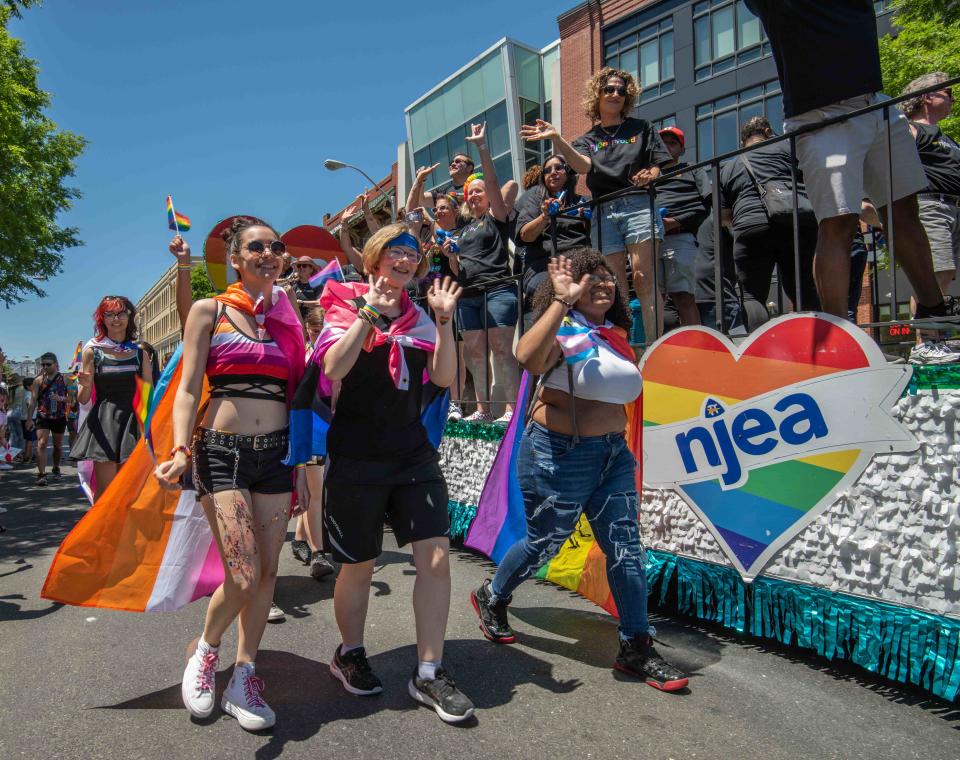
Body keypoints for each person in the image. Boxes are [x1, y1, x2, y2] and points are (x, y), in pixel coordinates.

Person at [470, 249, 689, 691]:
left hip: (612, 456)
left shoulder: (614, 335)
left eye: (609, 278)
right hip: (559, 454)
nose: (605, 284)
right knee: (542, 545)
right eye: (594, 279)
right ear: (570, 288)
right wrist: (562, 302)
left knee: (626, 548)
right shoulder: (562, 327)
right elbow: (528, 358)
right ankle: (491, 596)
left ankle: (635, 646)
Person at [315, 222, 474, 723]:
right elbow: (334, 369)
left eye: (413, 254)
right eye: (396, 253)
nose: (405, 261)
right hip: (356, 456)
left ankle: (429, 672)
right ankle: (350, 652)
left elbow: (445, 378)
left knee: (434, 560)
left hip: (413, 456)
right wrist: (368, 313)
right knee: (358, 565)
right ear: (374, 260)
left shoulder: (420, 318)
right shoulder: (342, 304)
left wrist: (445, 323)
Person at [154, 217, 307, 732]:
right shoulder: (210, 310)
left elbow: (301, 397)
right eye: (257, 247)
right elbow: (189, 386)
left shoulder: (288, 316)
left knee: (266, 574)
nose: (270, 253)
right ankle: (206, 649)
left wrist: (305, 464)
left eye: (276, 246)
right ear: (235, 260)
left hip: (278, 455)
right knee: (241, 574)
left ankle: (245, 673)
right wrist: (179, 448)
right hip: (223, 452)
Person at [744, 0, 959, 331]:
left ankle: (935, 319)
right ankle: (837, 335)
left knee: (903, 213)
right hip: (821, 116)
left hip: (875, 104)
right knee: (838, 223)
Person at [521, 66, 673, 343]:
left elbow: (658, 166)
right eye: (609, 89)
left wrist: (650, 174)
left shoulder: (641, 128)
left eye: (621, 90)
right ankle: (624, 345)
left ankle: (654, 344)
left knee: (643, 276)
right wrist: (557, 139)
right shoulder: (586, 140)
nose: (616, 94)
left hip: (637, 203)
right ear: (597, 95)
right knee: (615, 284)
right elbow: (581, 166)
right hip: (603, 209)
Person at [448, 122, 519, 424]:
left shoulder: (496, 217)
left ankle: (512, 410)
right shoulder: (462, 230)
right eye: (470, 193)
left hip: (498, 288)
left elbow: (494, 181)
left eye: (479, 191)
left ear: (489, 196)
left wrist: (481, 147)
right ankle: (482, 409)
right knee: (475, 355)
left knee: (502, 349)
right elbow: (457, 269)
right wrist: (450, 255)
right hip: (469, 295)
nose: (475, 195)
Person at [719, 117, 820, 330]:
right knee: (803, 287)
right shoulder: (787, 148)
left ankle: (761, 354)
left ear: (742, 142)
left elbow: (724, 215)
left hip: (749, 225)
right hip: (794, 222)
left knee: (752, 295)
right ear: (767, 131)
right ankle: (817, 347)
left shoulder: (729, 166)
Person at [900, 72, 960, 365]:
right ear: (927, 96)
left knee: (945, 274)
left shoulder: (946, 137)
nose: (952, 98)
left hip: (953, 209)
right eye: (947, 92)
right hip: (930, 205)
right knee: (935, 272)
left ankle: (934, 339)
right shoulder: (910, 130)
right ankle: (926, 343)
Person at [70, 296, 153, 501]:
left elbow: (147, 395)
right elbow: (83, 399)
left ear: (129, 316)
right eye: (110, 314)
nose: (116, 319)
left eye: (121, 313)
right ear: (102, 319)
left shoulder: (140, 354)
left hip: (132, 425)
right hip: (103, 424)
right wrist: (86, 384)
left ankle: (124, 534)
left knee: (129, 491)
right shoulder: (92, 352)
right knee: (105, 493)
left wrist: (149, 431)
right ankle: (102, 533)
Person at [290, 307, 336, 581]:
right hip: (308, 425)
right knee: (315, 490)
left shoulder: (333, 349)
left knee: (314, 489)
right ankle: (319, 553)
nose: (319, 337)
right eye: (315, 332)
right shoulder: (302, 352)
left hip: (328, 423)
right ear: (307, 328)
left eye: (323, 332)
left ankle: (299, 538)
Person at [515, 153, 592, 303]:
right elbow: (525, 235)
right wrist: (544, 217)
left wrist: (587, 221)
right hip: (545, 265)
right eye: (547, 170)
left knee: (601, 282)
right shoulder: (535, 201)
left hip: (581, 260)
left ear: (567, 172)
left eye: (558, 168)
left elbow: (595, 237)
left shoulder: (584, 201)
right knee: (554, 287)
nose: (553, 172)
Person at [655, 127, 711, 327]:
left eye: (672, 143)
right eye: (662, 143)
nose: (666, 147)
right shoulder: (648, 175)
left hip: (679, 238)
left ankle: (696, 346)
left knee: (683, 296)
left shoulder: (692, 168)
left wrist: (674, 223)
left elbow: (706, 205)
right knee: (652, 300)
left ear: (682, 149)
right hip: (649, 241)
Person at [25, 352, 67, 486]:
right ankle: (42, 474)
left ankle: (56, 467)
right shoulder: (38, 380)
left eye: (48, 364)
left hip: (59, 416)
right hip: (43, 416)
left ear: (55, 364)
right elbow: (33, 400)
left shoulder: (66, 379)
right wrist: (29, 419)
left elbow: (73, 399)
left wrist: (61, 398)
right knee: (41, 443)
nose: (45, 367)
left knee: (58, 447)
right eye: (42, 364)